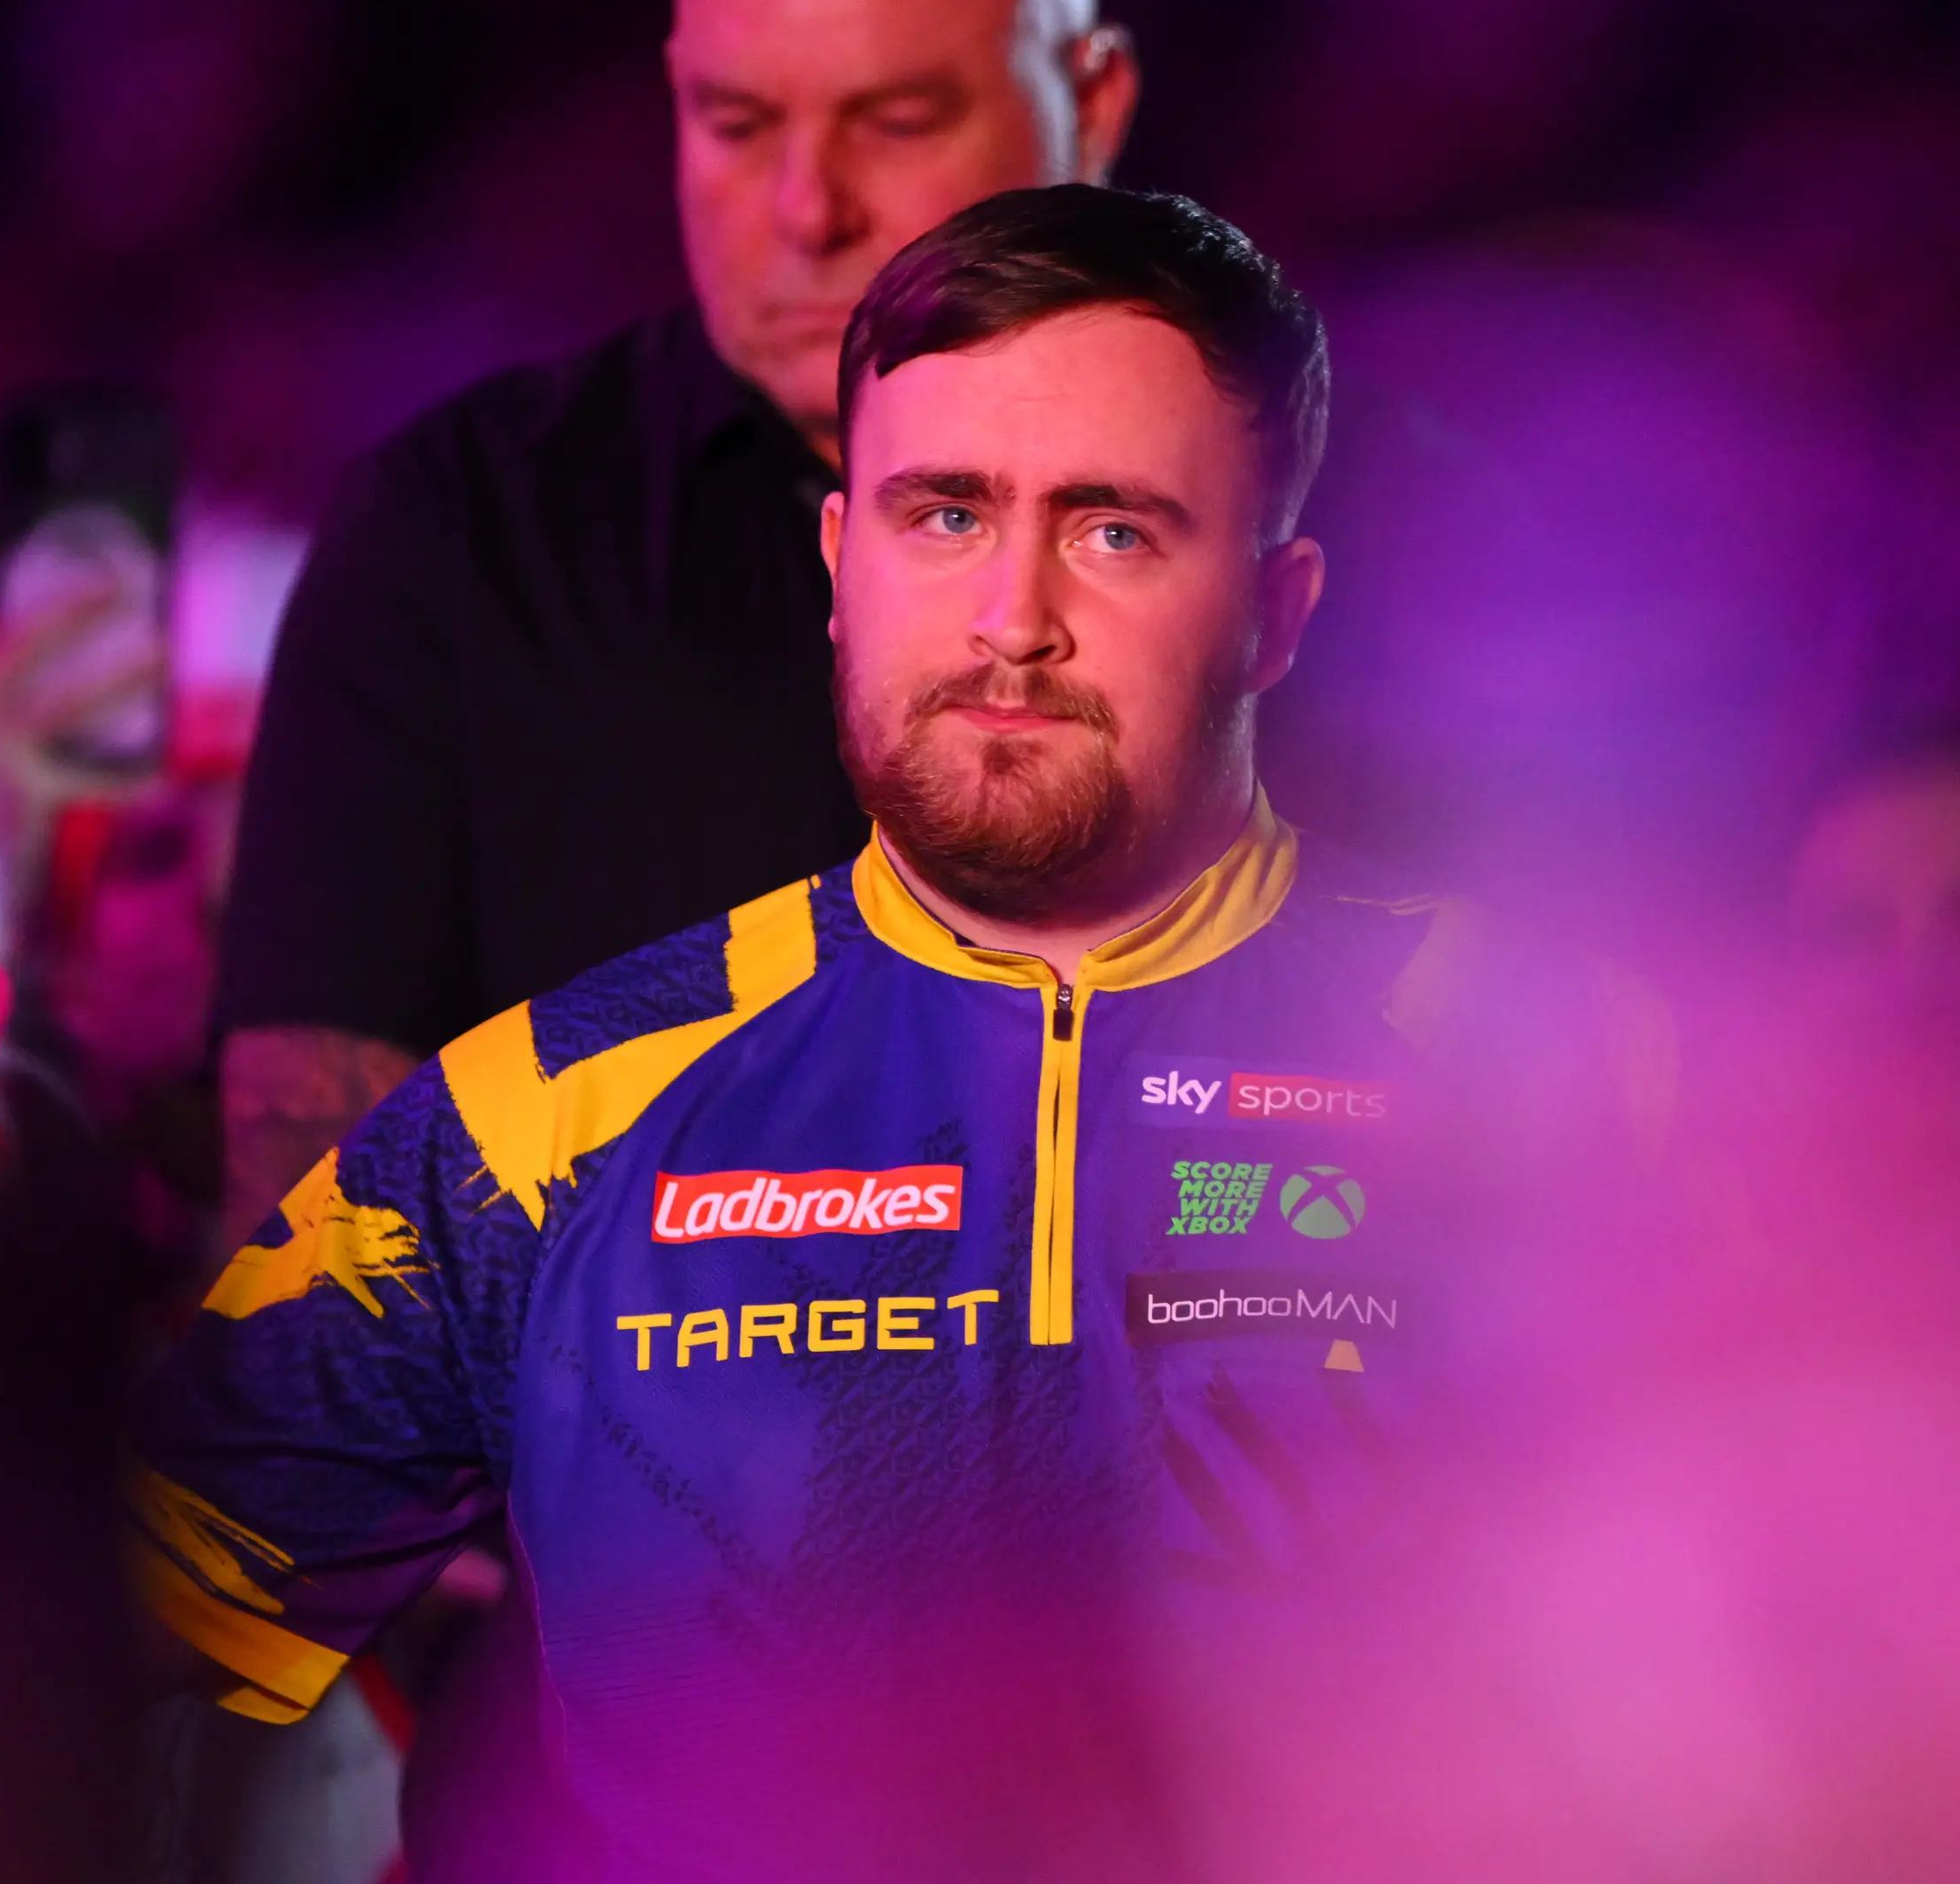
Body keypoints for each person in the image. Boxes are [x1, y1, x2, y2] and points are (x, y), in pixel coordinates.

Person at [132, 186, 1507, 1877]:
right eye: (947, 516)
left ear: (1278, 611)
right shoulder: (548, 1117)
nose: (1013, 617)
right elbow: (50, 1640)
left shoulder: (1570, 1079)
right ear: (842, 563)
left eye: (1113, 532)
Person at [210, 0, 1140, 1260]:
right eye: (736, 123)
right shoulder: (460, 535)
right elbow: (312, 1251)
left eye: (897, 121)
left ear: (1091, 104)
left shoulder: (1333, 512)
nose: (805, 209)